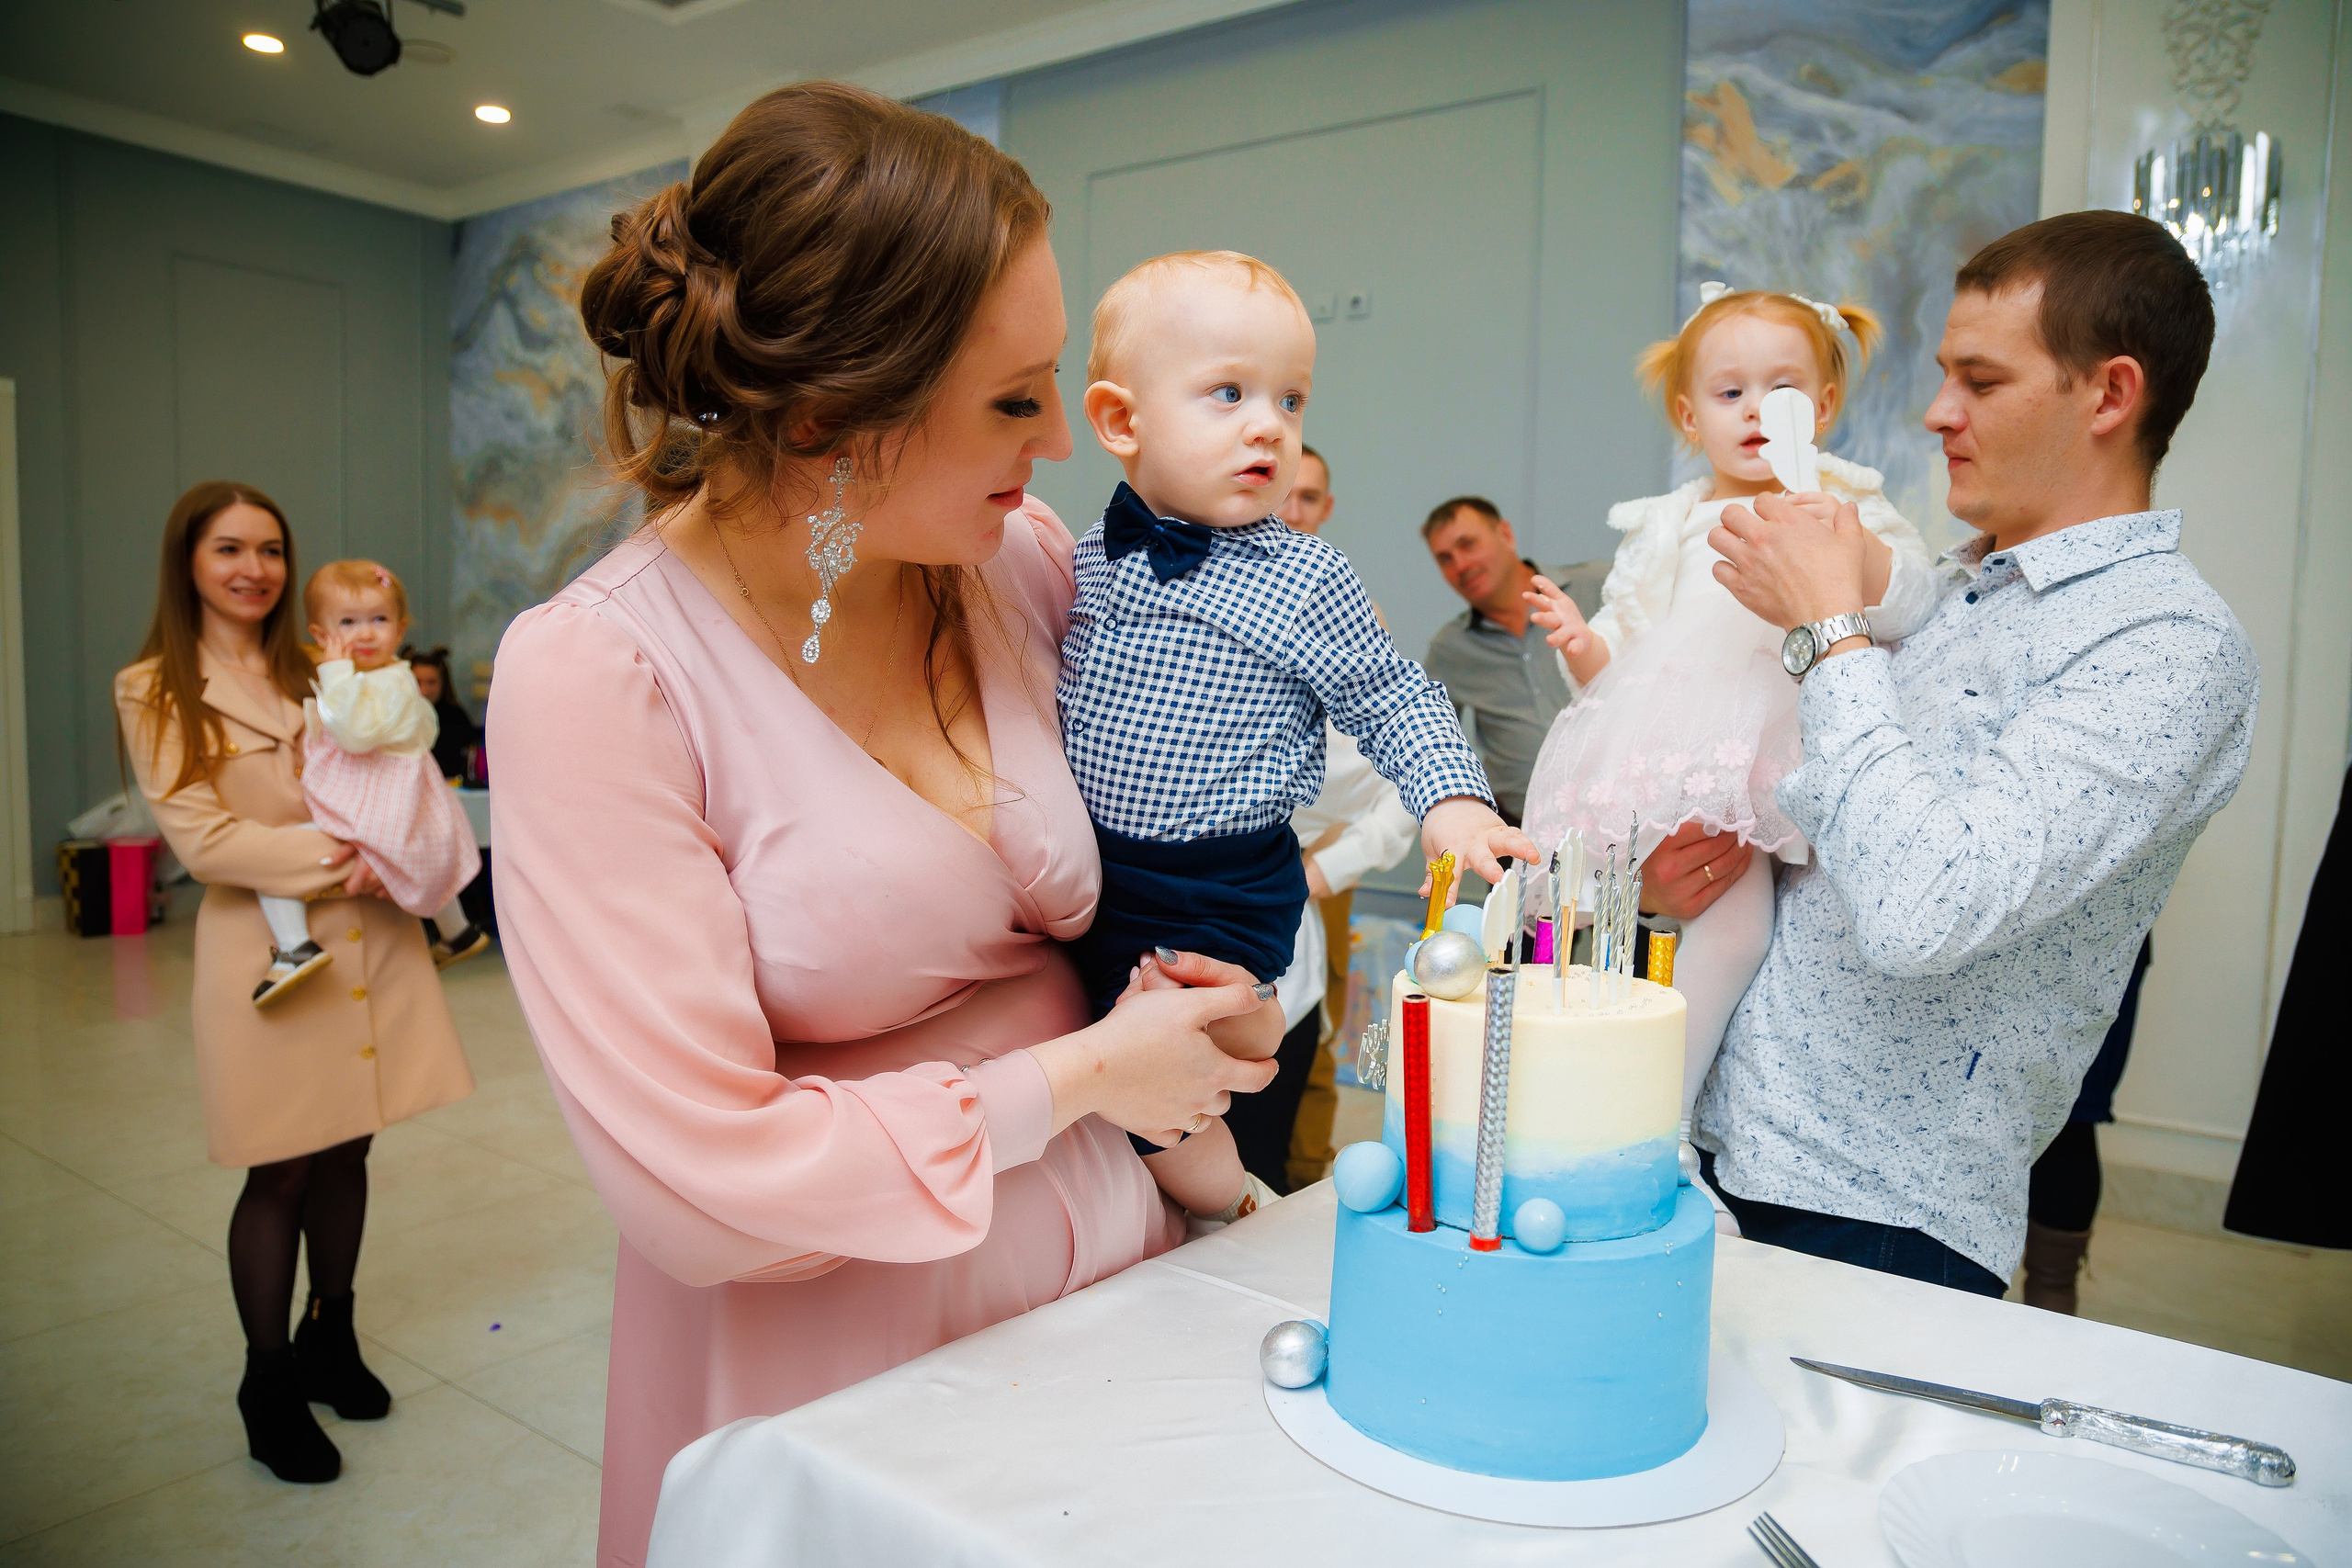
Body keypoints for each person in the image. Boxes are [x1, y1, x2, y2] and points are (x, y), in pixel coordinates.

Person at [487, 85, 1281, 1568]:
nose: (1059, 434)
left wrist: (1202, 990)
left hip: (1118, 1284)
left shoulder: (1019, 563)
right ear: (829, 412)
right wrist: (1091, 1071)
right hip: (840, 1356)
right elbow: (702, 1187)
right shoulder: (599, 673)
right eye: (1011, 395)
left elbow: (1167, 819)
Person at [1687, 209, 2257, 1295]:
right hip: (1726, 1142)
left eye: (1981, 383)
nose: (1936, 412)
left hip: (1875, 1211)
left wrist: (1825, 629)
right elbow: (1844, 843)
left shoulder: (2169, 645)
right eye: (1946, 374)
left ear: (2110, 393)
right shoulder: (1947, 591)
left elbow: (1924, 907)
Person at [1062, 250, 1529, 1222]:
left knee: (1177, 1072)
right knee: (1120, 1085)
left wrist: (1451, 801)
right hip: (1098, 874)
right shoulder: (1084, 557)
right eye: (1226, 393)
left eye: (1290, 399)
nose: (1267, 423)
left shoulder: (1302, 576)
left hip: (1222, 881)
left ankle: (1229, 1195)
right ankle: (1220, 1179)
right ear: (1120, 421)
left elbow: (1392, 694)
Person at [115, 481, 474, 1484]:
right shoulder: (154, 687)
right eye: (229, 548)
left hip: (368, 933)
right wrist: (350, 854)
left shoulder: (322, 666)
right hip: (270, 953)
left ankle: (333, 1335)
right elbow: (202, 835)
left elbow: (400, 763)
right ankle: (265, 1380)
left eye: (270, 549)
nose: (254, 569)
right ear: (188, 560)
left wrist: (400, 839)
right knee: (278, 1166)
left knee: (349, 1145)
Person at [1518, 286, 1935, 1143]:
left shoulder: (1845, 503)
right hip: (1688, 752)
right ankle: (1654, 1122)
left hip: (1792, 744)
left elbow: (1913, 602)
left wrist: (1849, 552)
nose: (1755, 412)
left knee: (1753, 930)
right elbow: (1620, 651)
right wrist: (1576, 641)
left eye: (1781, 391)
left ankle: (1660, 1116)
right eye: (1728, 392)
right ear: (1689, 415)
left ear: (1821, 406)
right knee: (1711, 923)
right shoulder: (1667, 525)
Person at [1223, 443, 1419, 1193]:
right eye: (1282, 494)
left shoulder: (1348, 613)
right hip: (1187, 893)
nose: (1290, 509)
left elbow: (1390, 776)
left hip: (1297, 889)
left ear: (1323, 508)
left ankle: (1288, 1190)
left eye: (1307, 497)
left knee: (1299, 1054)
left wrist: (1322, 866)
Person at [250, 561, 489, 1008]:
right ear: (321, 635)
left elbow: (355, 735)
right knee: (422, 857)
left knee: (278, 854)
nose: (365, 634)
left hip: (376, 796)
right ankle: (456, 931)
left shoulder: (384, 680)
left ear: (399, 629)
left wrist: (335, 674)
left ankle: (294, 945)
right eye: (348, 623)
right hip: (386, 788)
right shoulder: (386, 679)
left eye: (379, 620)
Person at [1419, 498, 1578, 823]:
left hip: (1627, 825)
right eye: (1445, 559)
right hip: (1521, 835)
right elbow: (1426, 740)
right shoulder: (1452, 649)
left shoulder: (1596, 586)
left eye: (1468, 544)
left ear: (1506, 534)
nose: (1460, 565)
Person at [401, 644, 480, 783]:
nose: (424, 690)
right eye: (417, 682)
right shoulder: (395, 718)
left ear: (444, 684)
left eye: (432, 682)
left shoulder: (457, 718)